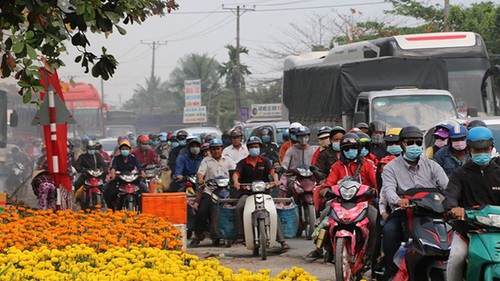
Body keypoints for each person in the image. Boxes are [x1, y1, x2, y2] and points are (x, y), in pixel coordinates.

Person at [380, 125, 448, 281]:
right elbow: (388, 189)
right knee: (390, 230)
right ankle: (392, 270)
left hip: (433, 211)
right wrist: (398, 200)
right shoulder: (391, 168)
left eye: (418, 143)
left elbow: (447, 187)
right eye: (410, 142)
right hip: (405, 211)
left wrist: (453, 202)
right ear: (402, 144)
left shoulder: (432, 165)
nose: (414, 146)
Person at [444, 126, 500, 281]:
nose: (482, 153)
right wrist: (453, 208)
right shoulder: (460, 174)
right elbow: (450, 195)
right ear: (469, 150)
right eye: (477, 150)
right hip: (468, 230)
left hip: (496, 230)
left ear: (492, 148)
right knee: (456, 257)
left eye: (485, 149)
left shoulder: (498, 172)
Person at [232, 136, 290, 249]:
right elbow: (236, 174)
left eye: (256, 147)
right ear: (248, 149)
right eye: (252, 147)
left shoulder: (265, 161)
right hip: (248, 193)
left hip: (264, 192)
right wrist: (236, 182)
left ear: (260, 148)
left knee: (273, 212)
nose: (254, 149)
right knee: (239, 207)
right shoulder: (243, 163)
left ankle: (282, 241)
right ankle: (240, 234)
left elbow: (273, 172)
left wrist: (276, 180)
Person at [190, 139, 236, 247]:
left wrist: (235, 180)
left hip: (226, 190)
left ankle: (237, 234)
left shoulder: (228, 160)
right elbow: (201, 173)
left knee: (235, 208)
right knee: (202, 211)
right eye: (214, 149)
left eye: (218, 148)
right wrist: (201, 179)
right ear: (210, 150)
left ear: (221, 149)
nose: (216, 151)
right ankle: (197, 236)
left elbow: (235, 172)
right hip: (211, 191)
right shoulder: (206, 161)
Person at [104, 139, 148, 211]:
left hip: (132, 178)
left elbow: (139, 167)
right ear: (120, 150)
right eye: (123, 149)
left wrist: (142, 173)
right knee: (106, 189)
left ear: (130, 150)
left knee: (145, 188)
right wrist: (113, 174)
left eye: (126, 149)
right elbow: (113, 168)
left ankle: (142, 208)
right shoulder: (116, 158)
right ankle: (111, 209)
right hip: (120, 178)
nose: (125, 150)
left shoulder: (133, 158)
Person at [73, 140, 108, 207]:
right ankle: (78, 200)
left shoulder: (98, 156)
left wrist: (105, 169)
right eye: (90, 149)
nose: (91, 150)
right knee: (77, 184)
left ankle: (104, 199)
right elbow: (77, 165)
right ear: (87, 149)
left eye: (93, 149)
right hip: (86, 175)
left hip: (97, 175)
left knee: (105, 186)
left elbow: (103, 164)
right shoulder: (82, 157)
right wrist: (82, 170)